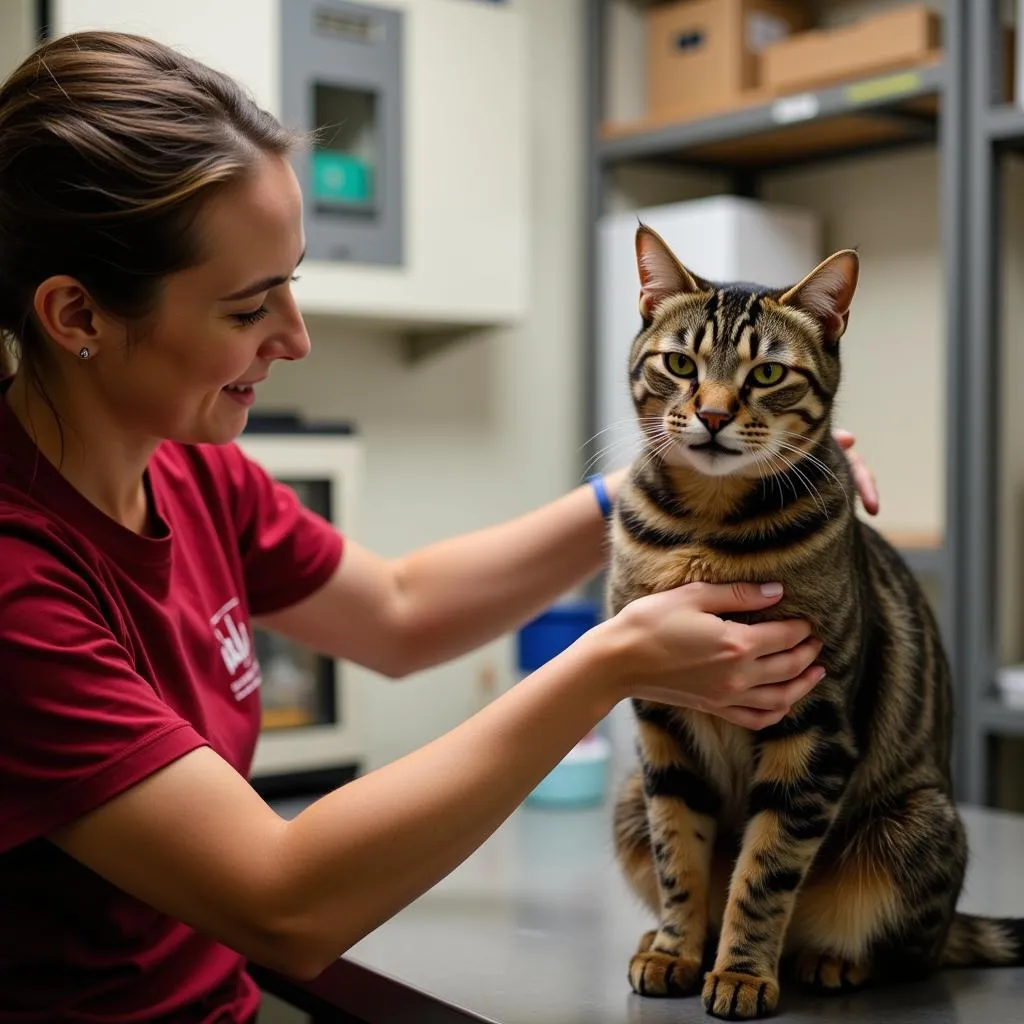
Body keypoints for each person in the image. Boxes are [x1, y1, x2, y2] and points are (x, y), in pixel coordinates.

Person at [0, 30, 881, 1024]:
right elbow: (284, 902)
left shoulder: (192, 470)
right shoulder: (17, 586)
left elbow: (400, 610)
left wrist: (668, 480)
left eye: (294, 281)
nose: (294, 336)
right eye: (249, 307)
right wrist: (608, 662)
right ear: (76, 313)